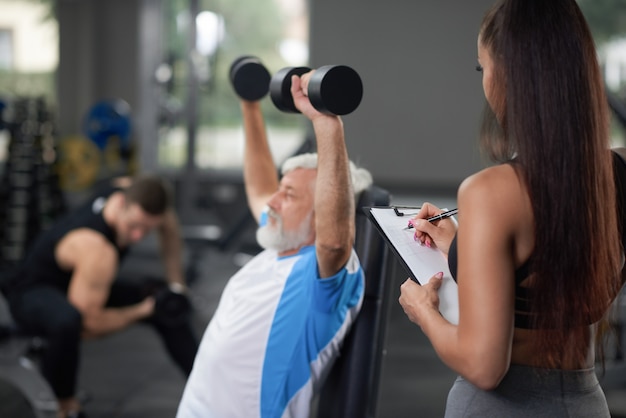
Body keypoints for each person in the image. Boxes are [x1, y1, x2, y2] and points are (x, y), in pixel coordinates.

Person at [398, 0, 625, 417]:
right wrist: (460, 246)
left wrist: (424, 312)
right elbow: (551, 258)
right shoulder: (617, 173)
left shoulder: (491, 192)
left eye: (482, 68)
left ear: (508, 70)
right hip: (586, 403)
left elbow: (485, 366)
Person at [176, 70, 373, 417]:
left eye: (289, 194)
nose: (272, 201)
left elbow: (333, 242)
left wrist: (327, 121)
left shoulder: (319, 275)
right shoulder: (280, 245)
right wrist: (250, 105)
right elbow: (258, 186)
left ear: (321, 212)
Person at [3, 174, 199, 418]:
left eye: (147, 229)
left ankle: (206, 386)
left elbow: (167, 224)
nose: (138, 236)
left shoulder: (130, 191)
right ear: (121, 206)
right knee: (67, 321)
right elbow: (90, 324)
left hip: (82, 280)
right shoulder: (97, 250)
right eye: (133, 227)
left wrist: (176, 287)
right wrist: (143, 310)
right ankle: (64, 404)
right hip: (32, 291)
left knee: (169, 307)